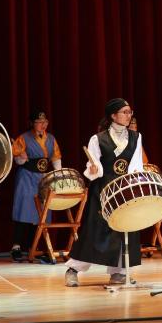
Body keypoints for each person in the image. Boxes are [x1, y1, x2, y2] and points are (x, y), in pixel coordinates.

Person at [64, 98, 144, 287]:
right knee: (94, 231)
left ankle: (119, 273)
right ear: (113, 116)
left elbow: (136, 165)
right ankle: (72, 269)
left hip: (125, 190)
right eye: (124, 112)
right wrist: (94, 170)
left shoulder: (136, 137)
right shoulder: (98, 139)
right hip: (102, 191)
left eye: (130, 112)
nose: (128, 115)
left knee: (125, 229)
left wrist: (135, 186)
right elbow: (94, 166)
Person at [9, 109, 62, 262]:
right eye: (39, 122)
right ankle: (16, 246)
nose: (42, 125)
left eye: (45, 122)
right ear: (32, 123)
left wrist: (58, 176)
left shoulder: (51, 139)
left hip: (43, 178)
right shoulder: (24, 138)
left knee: (41, 213)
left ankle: (35, 246)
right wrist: (21, 157)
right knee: (23, 209)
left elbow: (56, 158)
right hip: (26, 176)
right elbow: (18, 160)